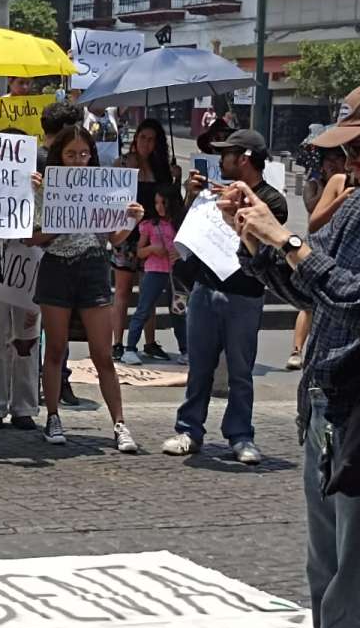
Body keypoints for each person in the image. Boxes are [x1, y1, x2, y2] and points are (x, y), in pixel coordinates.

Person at [226, 79, 360, 628]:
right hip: (331, 418)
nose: (346, 163)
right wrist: (257, 242)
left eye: (358, 149)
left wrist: (284, 241)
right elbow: (316, 290)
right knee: (334, 590)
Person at [163, 128, 288, 465]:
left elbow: (266, 240)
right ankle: (189, 430)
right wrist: (191, 198)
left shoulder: (272, 201)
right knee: (199, 367)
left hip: (245, 294)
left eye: (226, 154)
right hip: (205, 289)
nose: (220, 160)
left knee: (240, 371)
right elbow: (187, 232)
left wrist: (236, 206)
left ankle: (241, 436)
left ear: (244, 159)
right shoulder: (213, 193)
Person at [32, 127, 144, 451]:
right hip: (56, 268)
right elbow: (30, 237)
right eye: (71, 154)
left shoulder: (102, 187)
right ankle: (53, 416)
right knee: (55, 349)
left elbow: (114, 238)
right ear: (59, 156)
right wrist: (57, 224)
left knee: (102, 353)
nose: (78, 160)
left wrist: (133, 220)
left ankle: (119, 423)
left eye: (84, 154)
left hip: (93, 267)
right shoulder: (45, 188)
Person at [0, 80, 42, 433]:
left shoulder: (38, 184)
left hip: (28, 266)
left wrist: (36, 194)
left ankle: (24, 407)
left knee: (27, 339)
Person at [112, 118, 178, 360]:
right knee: (122, 290)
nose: (146, 143)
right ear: (135, 138)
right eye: (142, 138)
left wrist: (176, 179)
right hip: (127, 232)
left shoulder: (162, 168)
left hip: (153, 235)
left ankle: (149, 341)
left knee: (148, 292)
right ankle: (118, 343)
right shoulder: (123, 163)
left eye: (151, 140)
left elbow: (170, 202)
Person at [38, 100, 85, 408]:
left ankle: (58, 378)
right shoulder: (38, 160)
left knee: (58, 327)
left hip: (64, 251)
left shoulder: (73, 165)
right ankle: (47, 380)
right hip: (40, 250)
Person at [288, 142, 349, 370]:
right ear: (321, 165)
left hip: (340, 248)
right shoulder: (313, 185)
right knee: (308, 305)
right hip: (317, 246)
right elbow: (312, 208)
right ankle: (297, 349)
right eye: (329, 160)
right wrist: (331, 191)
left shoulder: (350, 183)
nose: (334, 163)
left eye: (338, 158)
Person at [121, 186, 187, 366]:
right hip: (154, 271)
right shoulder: (150, 225)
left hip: (176, 273)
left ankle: (185, 350)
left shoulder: (182, 224)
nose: (159, 207)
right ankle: (130, 349)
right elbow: (139, 252)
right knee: (143, 309)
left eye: (163, 202)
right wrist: (152, 249)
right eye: (156, 203)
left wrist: (181, 253)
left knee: (179, 312)